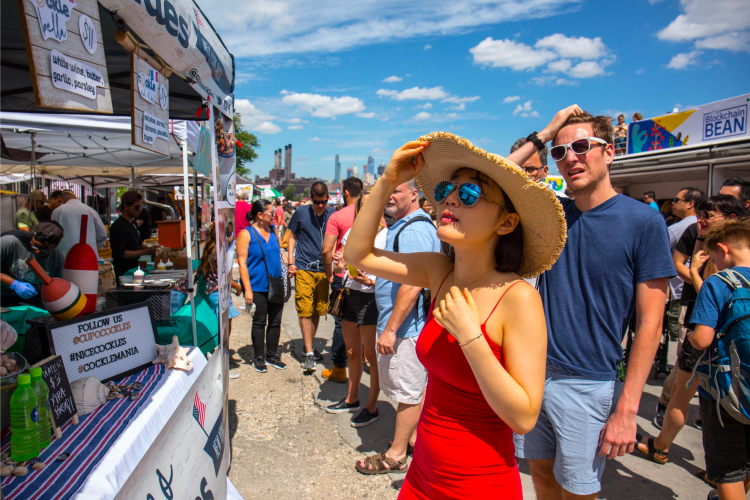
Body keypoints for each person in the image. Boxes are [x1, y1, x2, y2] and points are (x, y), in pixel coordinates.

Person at [346, 120, 569, 496]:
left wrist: (470, 336)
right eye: (448, 188)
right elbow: (358, 254)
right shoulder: (439, 272)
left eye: (470, 194)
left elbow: (524, 416)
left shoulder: (518, 297)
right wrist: (386, 181)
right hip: (422, 475)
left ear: (507, 222)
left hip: (479, 484)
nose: (449, 198)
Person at [512, 110, 676, 499]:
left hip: (588, 382)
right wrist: (547, 132)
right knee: (542, 478)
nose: (571, 157)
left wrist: (627, 409)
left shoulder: (643, 222)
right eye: (560, 151)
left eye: (582, 146)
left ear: (610, 152)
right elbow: (488, 178)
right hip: (532, 376)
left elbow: (650, 325)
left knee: (578, 491)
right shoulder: (554, 215)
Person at [637, 195, 748, 468]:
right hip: (737, 353)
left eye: (709, 215)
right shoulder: (723, 246)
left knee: (681, 397)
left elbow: (710, 297)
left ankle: (661, 446)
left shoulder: (720, 263)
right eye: (700, 214)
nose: (702, 220)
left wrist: (696, 272)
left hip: (707, 346)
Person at [689, 219, 750, 500]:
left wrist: (690, 337)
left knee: (728, 470)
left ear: (723, 249)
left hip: (723, 390)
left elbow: (702, 339)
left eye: (714, 257)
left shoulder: (718, 282)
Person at [326, 192, 385, 427]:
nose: (367, 209)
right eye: (362, 205)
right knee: (352, 352)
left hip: (369, 298)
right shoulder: (352, 232)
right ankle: (352, 398)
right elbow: (345, 261)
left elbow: (389, 274)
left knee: (371, 356)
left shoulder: (385, 235)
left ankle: (372, 406)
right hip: (350, 293)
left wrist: (369, 281)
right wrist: (340, 261)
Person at [652, 187, 704, 427]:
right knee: (686, 360)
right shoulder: (693, 229)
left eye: (677, 200)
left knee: (688, 360)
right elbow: (677, 262)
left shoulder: (685, 227)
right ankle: (667, 405)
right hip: (691, 301)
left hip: (684, 298)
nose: (673, 204)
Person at [287, 182, 335, 373]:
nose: (320, 205)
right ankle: (308, 353)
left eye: (323, 202)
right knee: (304, 309)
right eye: (316, 202)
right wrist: (291, 262)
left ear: (328, 199)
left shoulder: (333, 214)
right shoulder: (301, 212)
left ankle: (311, 345)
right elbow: (292, 236)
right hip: (304, 267)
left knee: (317, 310)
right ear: (310, 198)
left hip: (325, 269)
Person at [236, 200, 287, 373]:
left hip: (276, 283)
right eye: (270, 213)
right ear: (259, 215)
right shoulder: (246, 234)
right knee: (259, 322)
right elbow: (242, 263)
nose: (274, 216)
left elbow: (279, 253)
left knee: (275, 321)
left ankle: (272, 355)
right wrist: (247, 289)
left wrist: (289, 265)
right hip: (257, 286)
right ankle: (258, 357)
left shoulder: (272, 231)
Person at [321, 177, 363, 383]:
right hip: (368, 278)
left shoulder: (337, 216)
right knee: (365, 322)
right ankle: (363, 361)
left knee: (341, 323)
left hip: (342, 275)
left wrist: (329, 273)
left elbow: (326, 250)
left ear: (345, 192)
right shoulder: (375, 218)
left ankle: (339, 367)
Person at [197, 222, 242, 377]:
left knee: (213, 328)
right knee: (224, 331)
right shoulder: (221, 250)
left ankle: (212, 359)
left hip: (207, 291)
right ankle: (222, 365)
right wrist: (238, 287)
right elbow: (225, 277)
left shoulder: (209, 246)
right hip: (218, 292)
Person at [1, 221, 65, 308]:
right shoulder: (10, 241)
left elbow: (55, 286)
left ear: (56, 246)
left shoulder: (57, 258)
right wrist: (14, 284)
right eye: (34, 245)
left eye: (44, 249)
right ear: (33, 236)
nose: (37, 251)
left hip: (31, 299)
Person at [110, 191, 157, 284]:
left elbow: (138, 245)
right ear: (126, 207)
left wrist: (154, 249)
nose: (140, 210)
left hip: (134, 272)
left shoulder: (132, 224)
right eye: (137, 207)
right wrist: (145, 251)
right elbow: (120, 253)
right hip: (124, 275)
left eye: (141, 207)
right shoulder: (119, 226)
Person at [51, 190, 107, 258]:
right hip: (89, 256)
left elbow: (53, 235)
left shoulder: (58, 211)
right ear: (76, 198)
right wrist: (94, 244)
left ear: (62, 200)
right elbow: (102, 234)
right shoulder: (90, 210)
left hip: (66, 256)